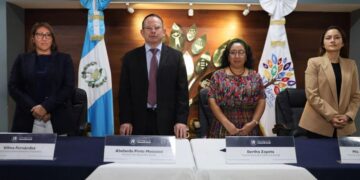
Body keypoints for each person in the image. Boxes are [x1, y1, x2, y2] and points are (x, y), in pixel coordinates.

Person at [118, 14, 189, 138]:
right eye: (149, 28)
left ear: (164, 32)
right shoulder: (130, 58)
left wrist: (181, 121)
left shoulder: (176, 57)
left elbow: (182, 92)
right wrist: (125, 120)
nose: (153, 31)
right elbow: (124, 92)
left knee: (167, 156)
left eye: (157, 27)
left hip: (168, 121)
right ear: (142, 32)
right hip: (137, 121)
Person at [8, 22, 76, 135]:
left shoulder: (64, 59)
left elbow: (68, 87)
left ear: (52, 39)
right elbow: (13, 87)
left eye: (48, 35)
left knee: (61, 152)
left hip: (58, 118)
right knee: (28, 152)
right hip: (27, 119)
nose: (44, 38)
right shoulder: (22, 59)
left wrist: (46, 107)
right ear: (33, 38)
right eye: (40, 34)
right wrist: (35, 109)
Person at [299, 26, 360, 138]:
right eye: (328, 38)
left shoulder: (351, 65)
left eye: (337, 37)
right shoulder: (314, 62)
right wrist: (332, 116)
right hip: (317, 125)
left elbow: (356, 95)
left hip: (344, 125)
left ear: (342, 43)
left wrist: (348, 116)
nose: (333, 40)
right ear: (323, 43)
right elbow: (311, 94)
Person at [207, 38, 266, 138]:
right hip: (222, 128)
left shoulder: (255, 76)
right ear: (228, 56)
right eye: (233, 52)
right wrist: (227, 124)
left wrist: (254, 122)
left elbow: (262, 100)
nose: (237, 56)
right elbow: (211, 101)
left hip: (249, 130)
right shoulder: (218, 75)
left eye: (241, 52)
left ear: (246, 56)